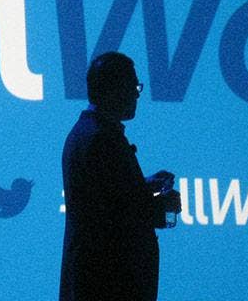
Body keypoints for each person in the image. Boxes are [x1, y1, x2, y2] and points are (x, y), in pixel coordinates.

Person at [59, 52, 181, 301]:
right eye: (133, 87)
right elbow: (117, 217)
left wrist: (142, 187)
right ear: (113, 89)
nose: (137, 95)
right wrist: (162, 206)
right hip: (108, 285)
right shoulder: (100, 139)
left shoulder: (89, 134)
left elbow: (106, 198)